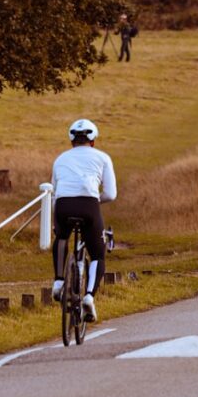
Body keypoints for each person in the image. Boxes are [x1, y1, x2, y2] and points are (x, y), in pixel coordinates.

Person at [51, 119, 117, 323]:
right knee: (98, 253)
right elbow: (111, 194)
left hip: (63, 205)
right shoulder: (103, 157)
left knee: (61, 236)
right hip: (88, 205)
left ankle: (59, 281)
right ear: (93, 141)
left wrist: (56, 221)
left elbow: (54, 194)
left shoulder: (60, 158)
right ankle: (89, 295)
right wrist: (94, 201)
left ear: (71, 141)